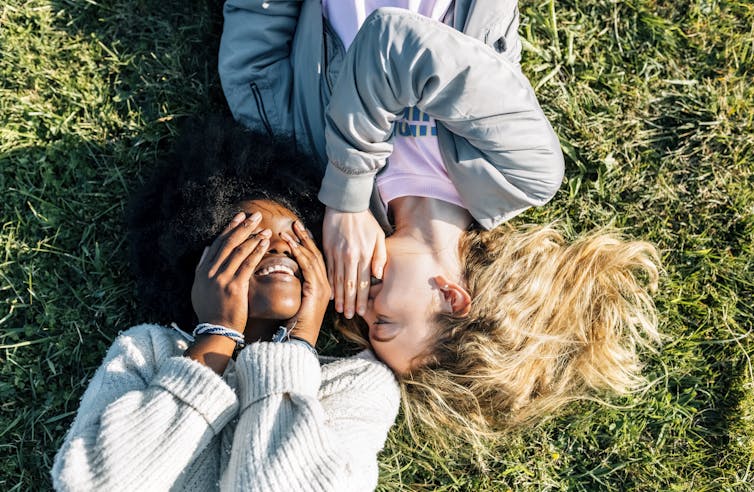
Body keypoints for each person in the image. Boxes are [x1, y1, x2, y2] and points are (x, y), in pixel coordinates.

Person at [219, 0, 661, 450]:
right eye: (384, 322)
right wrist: (348, 197)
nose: (359, 308)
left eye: (366, 324)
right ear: (451, 296)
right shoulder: (523, 173)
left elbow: (252, 66)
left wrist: (336, 193)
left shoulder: (312, 172)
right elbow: (390, 40)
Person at [51, 117, 400, 491]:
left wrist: (296, 349)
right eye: (251, 236)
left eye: (298, 237)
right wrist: (217, 335)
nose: (280, 246)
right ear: (200, 263)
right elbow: (89, 483)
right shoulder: (146, 352)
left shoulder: (357, 386)